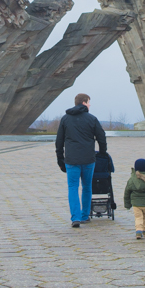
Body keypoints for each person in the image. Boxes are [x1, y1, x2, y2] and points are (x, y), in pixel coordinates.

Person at [55, 93, 107, 228]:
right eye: (89, 102)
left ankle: (75, 218)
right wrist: (102, 153)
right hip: (89, 159)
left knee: (72, 187)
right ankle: (85, 216)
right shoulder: (92, 119)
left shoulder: (65, 119)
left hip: (71, 159)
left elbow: (59, 141)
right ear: (84, 102)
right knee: (87, 187)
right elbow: (101, 137)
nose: (90, 105)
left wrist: (60, 159)